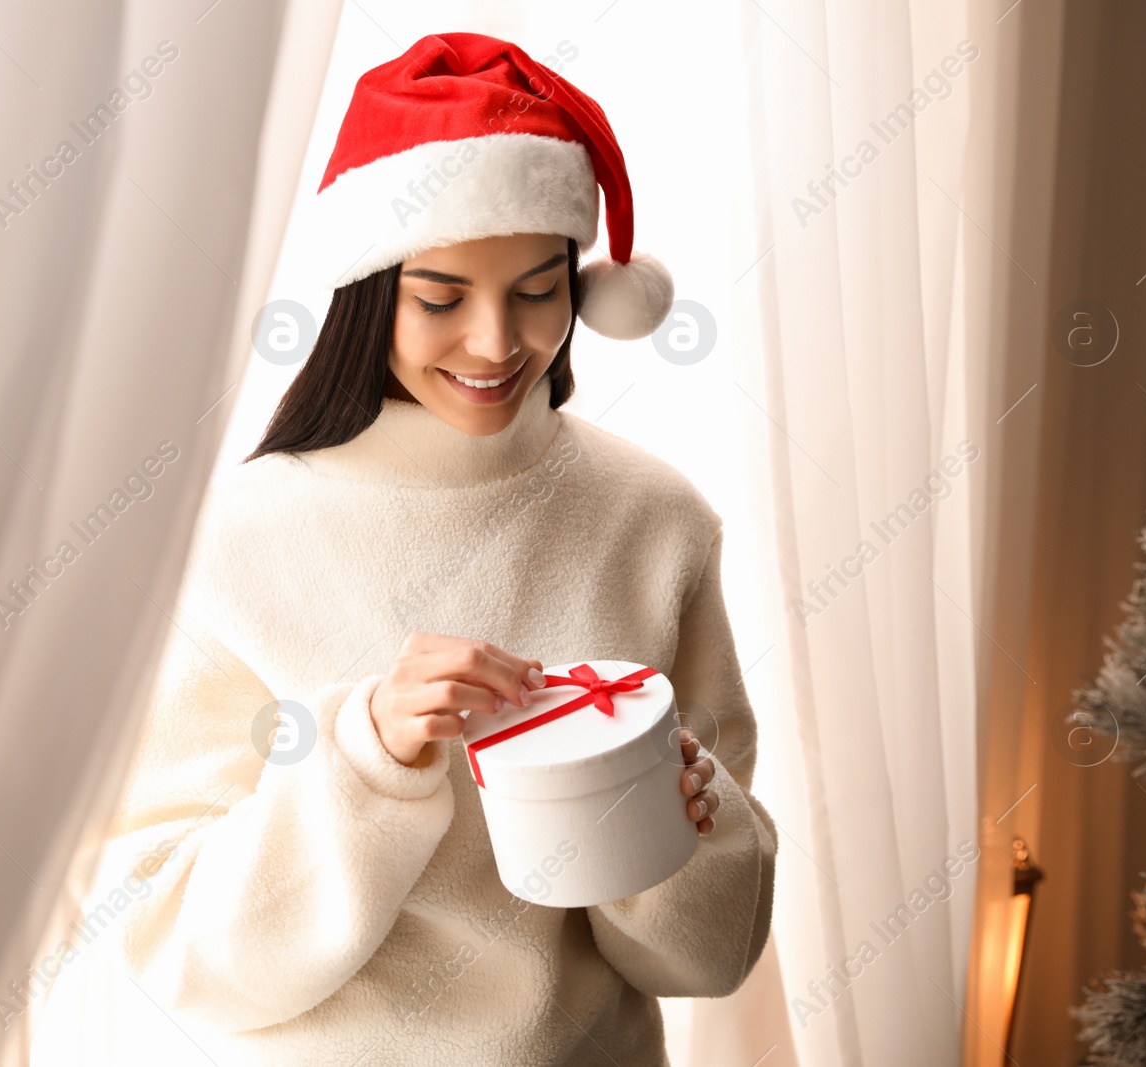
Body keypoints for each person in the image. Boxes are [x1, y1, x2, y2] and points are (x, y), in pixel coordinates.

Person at [96, 31, 778, 1066]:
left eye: (537, 289)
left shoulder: (654, 519)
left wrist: (671, 819)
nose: (497, 342)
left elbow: (707, 956)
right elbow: (166, 940)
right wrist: (365, 750)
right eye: (442, 297)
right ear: (372, 292)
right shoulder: (235, 545)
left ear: (582, 286)